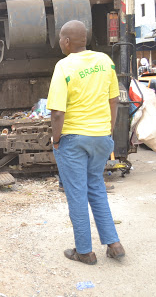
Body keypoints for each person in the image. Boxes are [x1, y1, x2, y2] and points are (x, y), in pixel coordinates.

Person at [47, 20, 125, 265]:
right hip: (101, 137)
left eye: (61, 38)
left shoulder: (63, 66)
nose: (60, 42)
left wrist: (56, 140)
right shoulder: (104, 61)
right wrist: (108, 131)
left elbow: (57, 113)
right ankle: (114, 244)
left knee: (77, 195)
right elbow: (114, 101)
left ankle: (84, 251)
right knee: (97, 188)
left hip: (74, 140)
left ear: (67, 41)